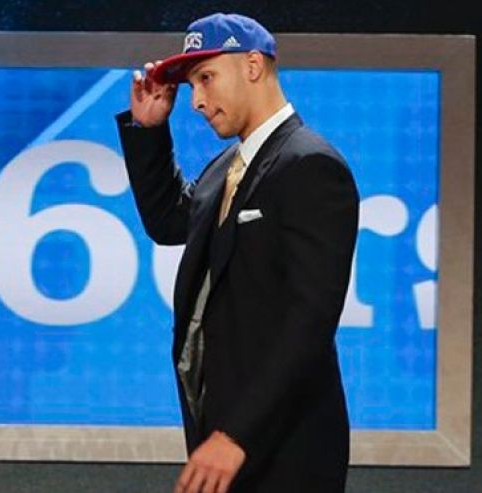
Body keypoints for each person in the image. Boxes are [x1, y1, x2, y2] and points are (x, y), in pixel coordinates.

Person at [115, 13, 360, 493]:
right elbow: (169, 222)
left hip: (286, 448)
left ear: (252, 65)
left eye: (206, 78)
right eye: (190, 87)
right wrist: (148, 131)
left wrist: (237, 434)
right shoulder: (230, 165)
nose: (198, 101)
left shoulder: (311, 165)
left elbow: (310, 320)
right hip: (228, 440)